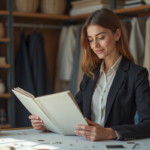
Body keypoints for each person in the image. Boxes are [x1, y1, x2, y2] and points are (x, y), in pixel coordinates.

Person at [29, 8, 150, 141]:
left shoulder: (136, 74)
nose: (95, 45)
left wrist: (110, 132)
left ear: (117, 34)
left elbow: (147, 124)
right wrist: (46, 124)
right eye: (91, 39)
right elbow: (73, 116)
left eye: (101, 37)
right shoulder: (90, 75)